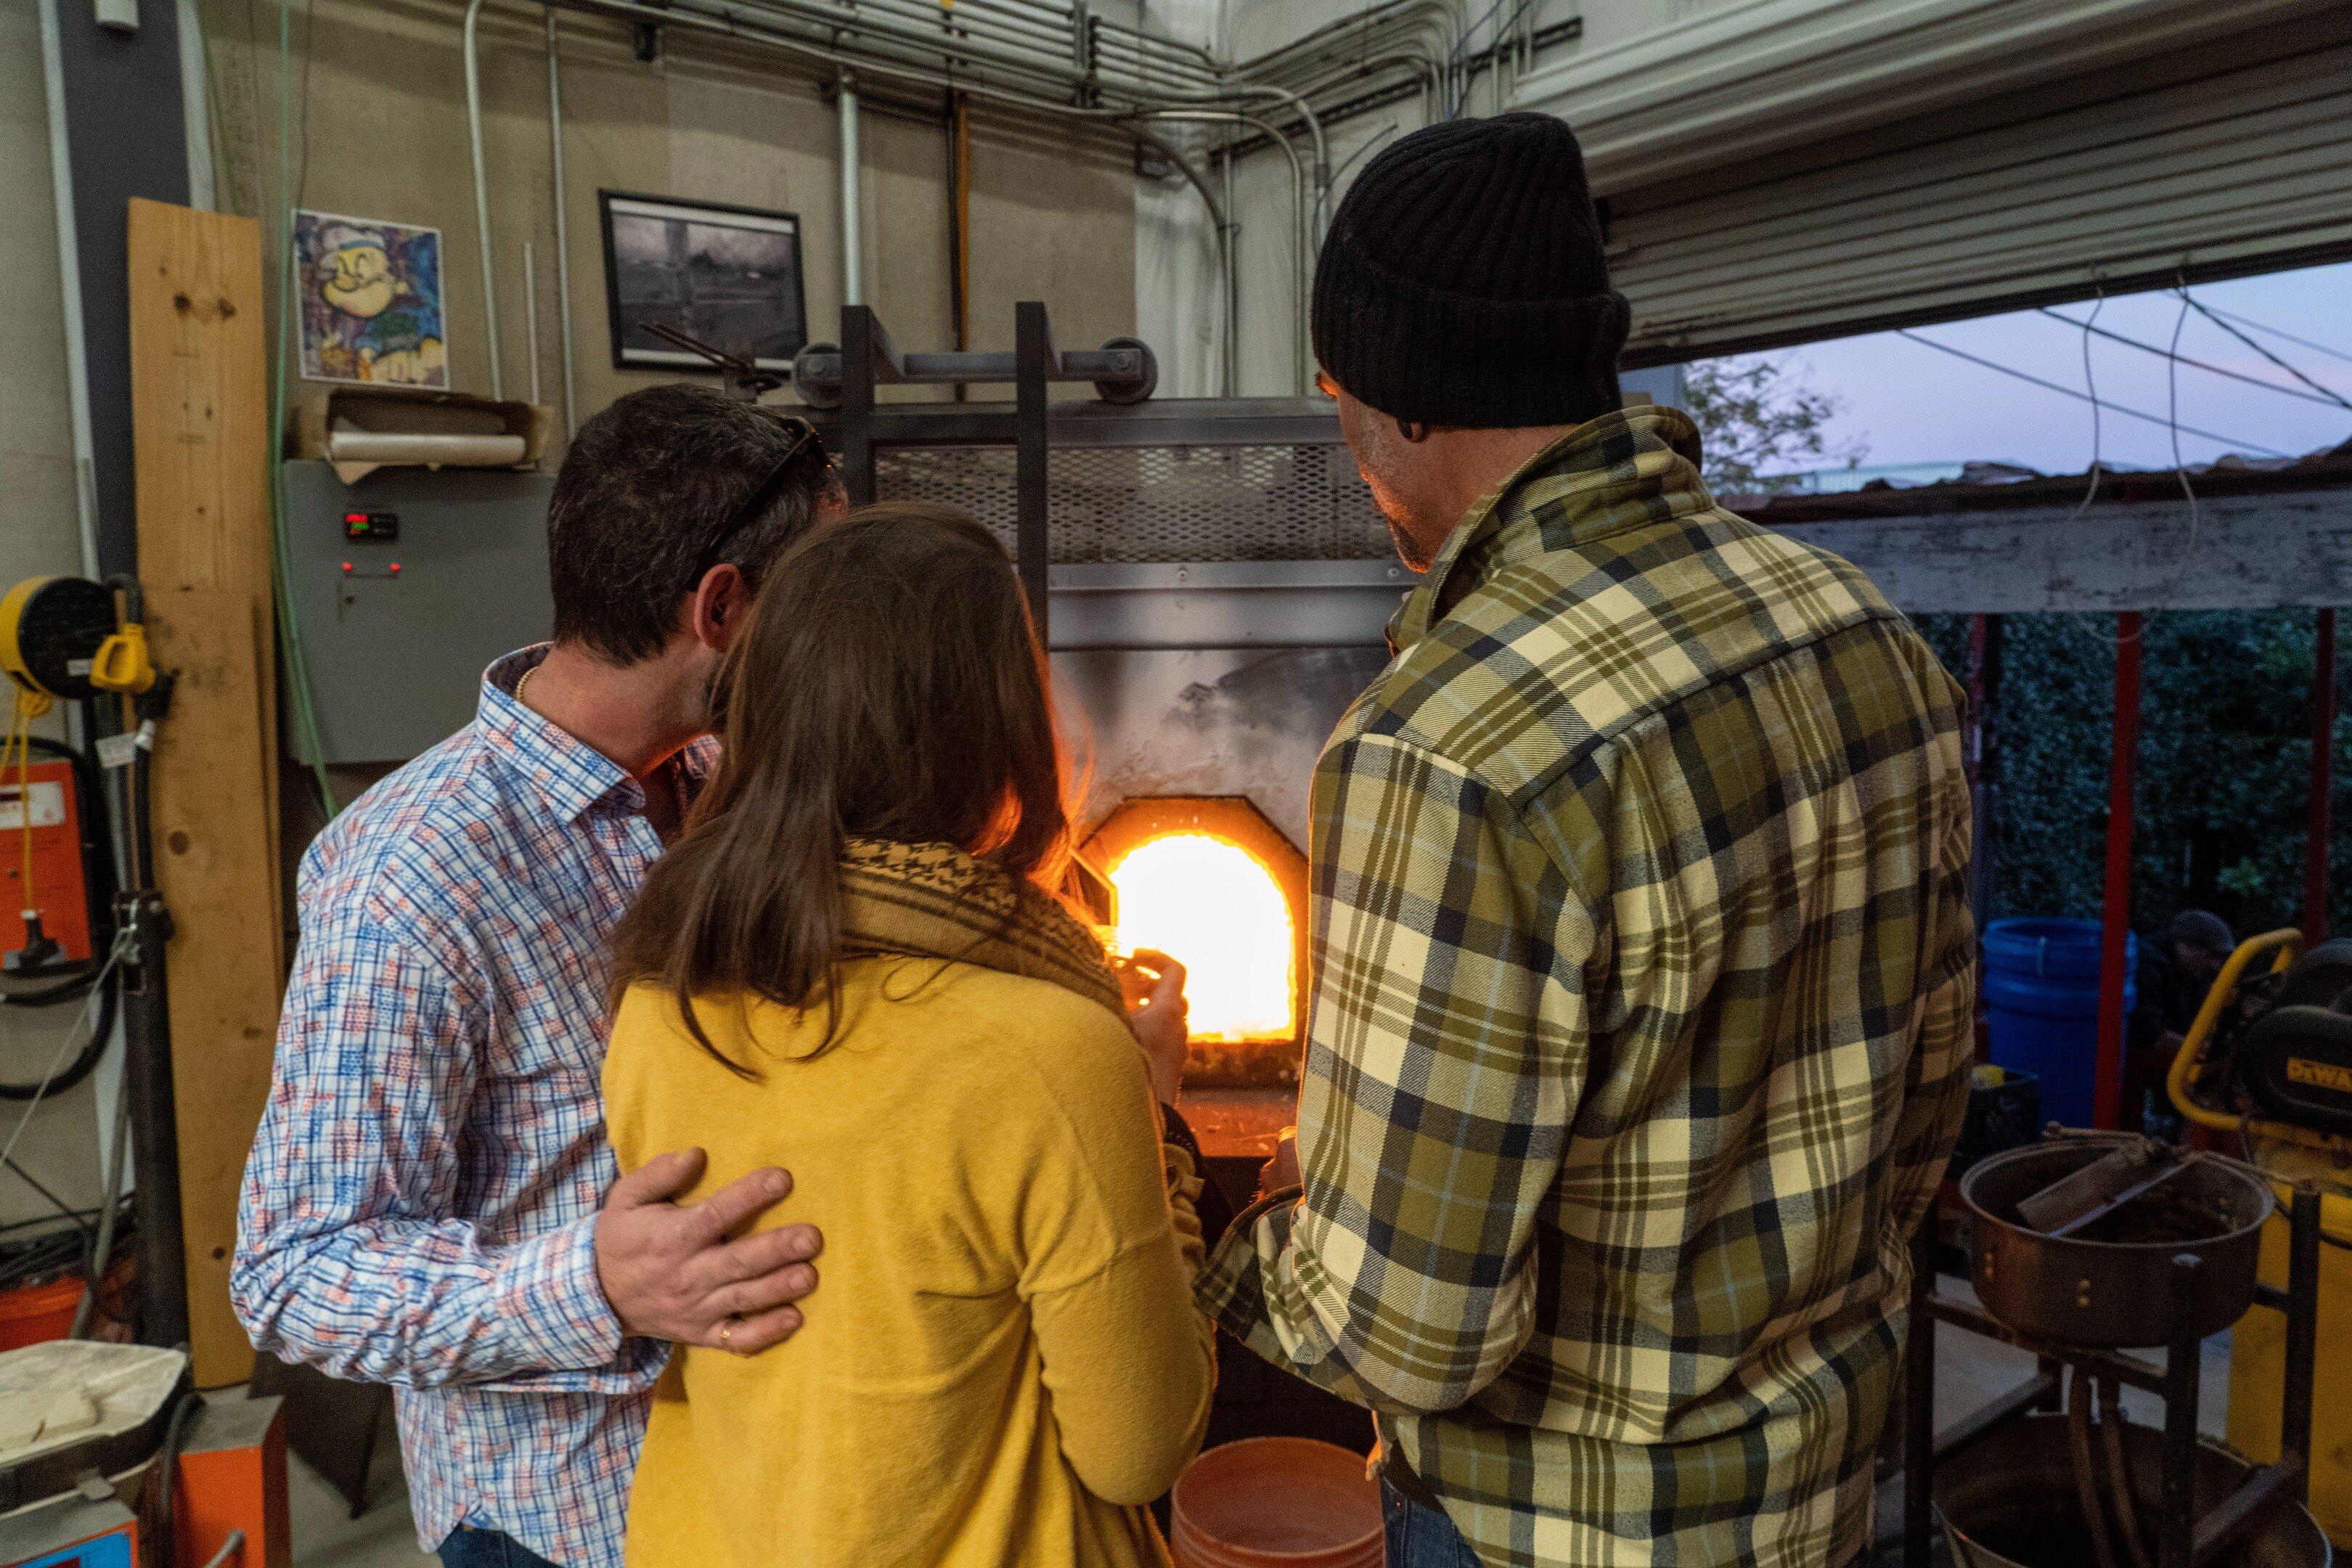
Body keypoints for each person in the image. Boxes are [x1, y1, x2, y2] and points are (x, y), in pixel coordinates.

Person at [1198, 115, 1977, 1568]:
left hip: (1556, 1532)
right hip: (1816, 1500)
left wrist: (1209, 1226)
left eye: (1341, 401)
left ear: (1402, 403)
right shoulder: (1866, 630)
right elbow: (1922, 1110)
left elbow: (1412, 1337)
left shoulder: (1446, 744)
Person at [234, 386, 846, 1568]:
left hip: (770, 1470)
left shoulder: (725, 779)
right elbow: (293, 1271)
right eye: (811, 605)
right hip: (571, 1526)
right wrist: (593, 1284)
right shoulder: (410, 879)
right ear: (720, 607)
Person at [601, 502, 1214, 1568]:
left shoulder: (659, 1003)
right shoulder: (1049, 1051)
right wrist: (1156, 1121)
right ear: (995, 732)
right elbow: (1138, 1451)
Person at [2128, 908, 2235, 1132]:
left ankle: (2173, 1123)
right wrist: (2202, 1059)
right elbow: (2148, 1033)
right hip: (2132, 1051)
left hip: (2159, 1044)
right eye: (2211, 956)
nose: (2217, 966)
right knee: (2210, 1077)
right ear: (2185, 946)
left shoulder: (2191, 971)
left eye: (2221, 958)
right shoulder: (2147, 963)